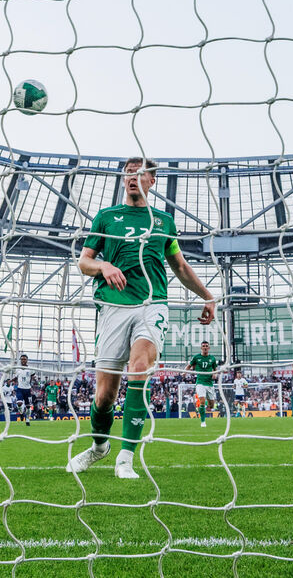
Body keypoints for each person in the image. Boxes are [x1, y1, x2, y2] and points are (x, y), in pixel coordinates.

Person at [66, 157, 215, 479]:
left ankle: (126, 458)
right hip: (112, 307)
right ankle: (99, 447)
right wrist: (104, 266)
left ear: (152, 180)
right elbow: (84, 263)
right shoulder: (106, 218)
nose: (133, 177)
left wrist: (208, 297)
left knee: (139, 370)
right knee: (104, 396)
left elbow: (179, 266)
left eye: (140, 173)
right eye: (128, 173)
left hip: (153, 303)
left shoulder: (164, 221)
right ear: (123, 180)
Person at [185, 341, 218, 427]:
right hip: (200, 382)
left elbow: (215, 369)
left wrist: (215, 374)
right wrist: (184, 372)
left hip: (209, 383)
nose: (205, 347)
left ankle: (206, 406)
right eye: (203, 346)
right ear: (201, 348)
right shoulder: (196, 357)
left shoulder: (212, 358)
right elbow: (189, 365)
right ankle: (203, 421)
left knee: (211, 405)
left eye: (206, 346)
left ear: (209, 348)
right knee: (202, 401)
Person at [14, 354, 33, 426]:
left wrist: (36, 381)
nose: (23, 360)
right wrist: (11, 380)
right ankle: (21, 413)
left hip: (27, 389)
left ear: (27, 360)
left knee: (28, 406)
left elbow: (33, 376)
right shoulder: (17, 368)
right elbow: (16, 377)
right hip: (20, 389)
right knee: (19, 403)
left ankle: (27, 419)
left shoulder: (30, 368)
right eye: (22, 359)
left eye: (24, 359)